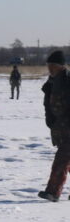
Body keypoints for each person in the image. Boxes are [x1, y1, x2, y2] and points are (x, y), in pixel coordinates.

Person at [38, 50, 70, 201]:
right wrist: (49, 121)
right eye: (48, 65)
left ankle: (52, 192)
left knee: (61, 160)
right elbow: (48, 106)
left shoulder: (68, 80)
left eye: (53, 66)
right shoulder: (51, 83)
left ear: (61, 66)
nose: (50, 68)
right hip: (60, 128)